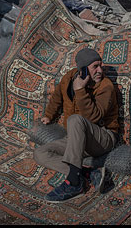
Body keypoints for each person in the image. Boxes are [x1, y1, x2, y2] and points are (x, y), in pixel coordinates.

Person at [33, 47, 119, 202]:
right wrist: (48, 115)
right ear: (83, 69)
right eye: (95, 67)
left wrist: (80, 90)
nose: (100, 70)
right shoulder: (69, 78)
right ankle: (88, 173)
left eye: (101, 65)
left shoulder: (106, 86)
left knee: (74, 119)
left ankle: (73, 183)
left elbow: (95, 116)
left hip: (102, 137)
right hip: (77, 138)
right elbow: (57, 96)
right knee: (40, 153)